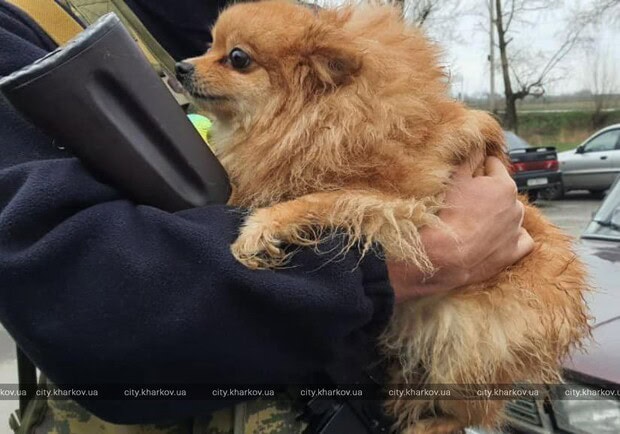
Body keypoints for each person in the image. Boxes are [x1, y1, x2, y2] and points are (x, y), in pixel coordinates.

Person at [0, 0, 534, 431]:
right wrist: (404, 263)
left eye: (232, 58)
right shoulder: (21, 26)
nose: (195, 66)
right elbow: (84, 305)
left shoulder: (314, 28)